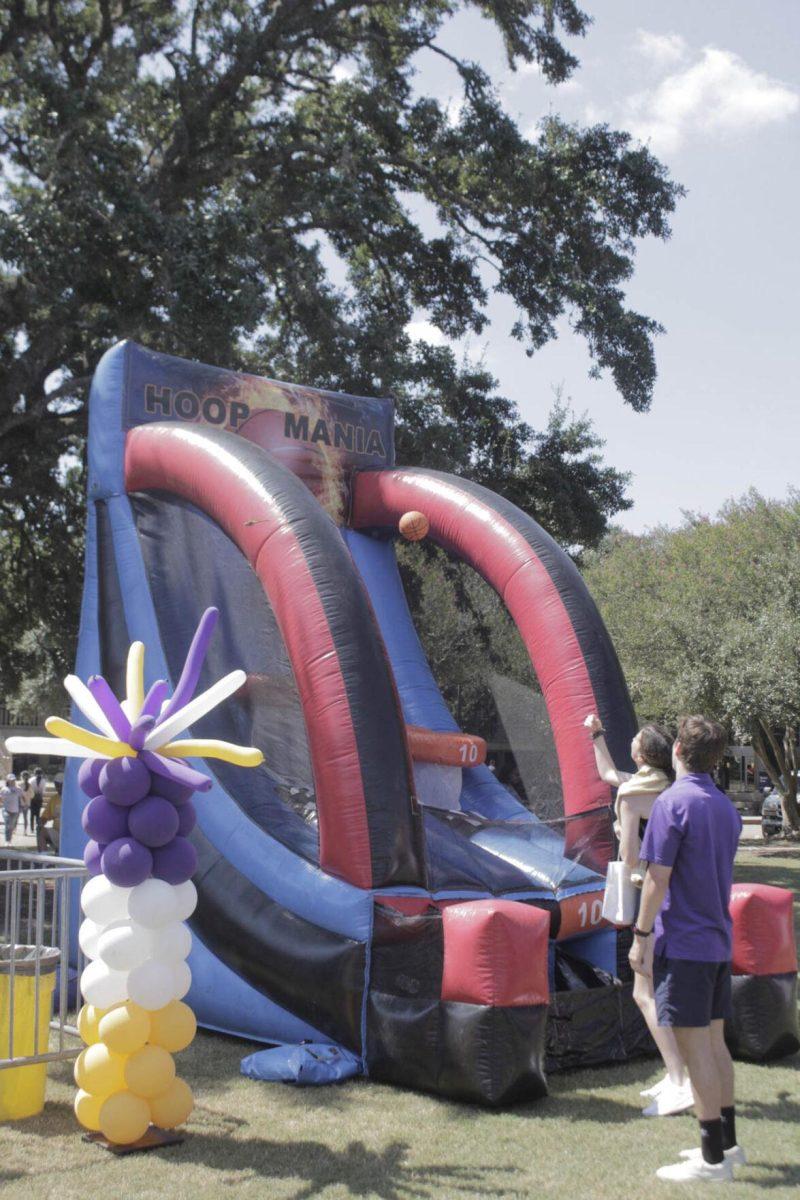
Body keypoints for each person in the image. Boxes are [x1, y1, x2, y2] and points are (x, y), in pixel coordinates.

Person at [630, 715, 743, 1183]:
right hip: (717, 942)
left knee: (696, 1050)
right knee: (714, 1046)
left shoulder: (672, 804)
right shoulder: (723, 805)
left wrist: (640, 937)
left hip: (686, 945)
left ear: (678, 749)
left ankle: (712, 1160)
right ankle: (727, 1147)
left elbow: (657, 878)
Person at [585, 713, 691, 1117]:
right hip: (676, 893)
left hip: (648, 892)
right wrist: (596, 734)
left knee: (643, 989)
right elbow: (609, 771)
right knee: (655, 984)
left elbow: (630, 854)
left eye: (635, 739)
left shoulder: (633, 797)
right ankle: (674, 1072)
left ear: (643, 752)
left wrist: (622, 848)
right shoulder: (664, 785)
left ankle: (680, 1080)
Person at [38, 773, 62, 853]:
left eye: (60, 785)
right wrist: (41, 823)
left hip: (71, 833)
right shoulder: (54, 799)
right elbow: (45, 816)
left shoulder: (73, 798)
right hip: (57, 833)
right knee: (42, 832)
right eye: (56, 785)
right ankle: (45, 861)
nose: (57, 787)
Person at [1, 773, 22, 844]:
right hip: (6, 809)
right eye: (11, 780)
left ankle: (9, 839)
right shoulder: (4, 789)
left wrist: (24, 804)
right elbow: (1, 799)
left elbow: (21, 797)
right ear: (8, 780)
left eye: (14, 780)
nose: (13, 781)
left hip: (15, 810)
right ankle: (7, 841)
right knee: (8, 824)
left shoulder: (18, 789)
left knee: (11, 826)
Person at [30, 767, 46, 835]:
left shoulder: (32, 780)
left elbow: (43, 790)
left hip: (36, 798)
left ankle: (34, 828)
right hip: (36, 798)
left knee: (34, 814)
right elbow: (43, 791)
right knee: (35, 814)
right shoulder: (42, 780)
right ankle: (34, 828)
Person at [19, 769, 33, 834]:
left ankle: (14, 829)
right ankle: (25, 831)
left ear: (21, 776)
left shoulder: (19, 784)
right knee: (25, 817)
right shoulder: (30, 785)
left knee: (16, 817)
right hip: (27, 804)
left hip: (20, 803)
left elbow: (18, 794)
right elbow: (32, 795)